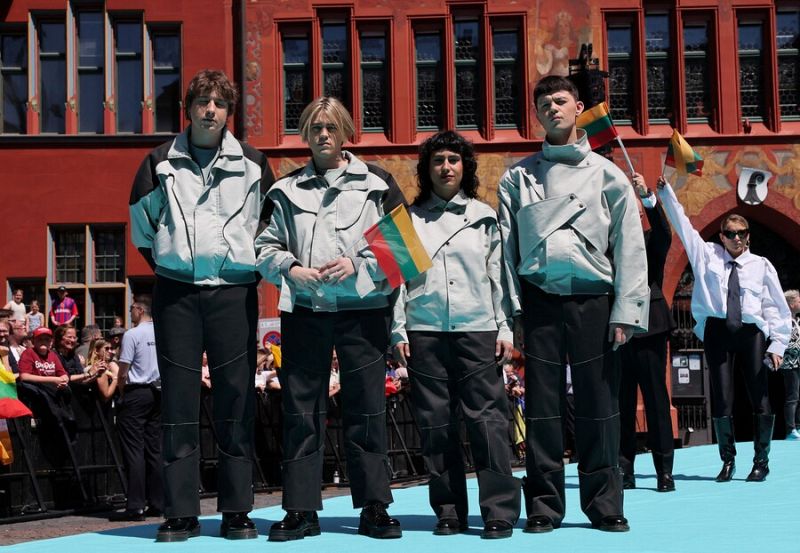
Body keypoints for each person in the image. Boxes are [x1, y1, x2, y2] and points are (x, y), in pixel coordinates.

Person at [497, 76, 649, 533]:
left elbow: (629, 246)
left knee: (599, 405)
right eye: (544, 103)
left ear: (578, 107)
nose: (552, 109)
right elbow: (506, 251)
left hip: (593, 301)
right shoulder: (517, 177)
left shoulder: (608, 174)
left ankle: (605, 504)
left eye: (560, 101)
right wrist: (511, 314)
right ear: (536, 114)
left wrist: (626, 311)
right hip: (540, 302)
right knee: (541, 409)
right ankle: (544, 506)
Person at [129, 69, 274, 541]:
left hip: (234, 292)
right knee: (177, 402)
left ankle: (236, 510)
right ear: (188, 109)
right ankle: (180, 512)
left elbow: (268, 230)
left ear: (229, 112)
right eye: (202, 102)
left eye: (219, 103)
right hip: (177, 294)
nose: (211, 110)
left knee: (237, 399)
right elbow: (143, 231)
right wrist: (174, 262)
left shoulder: (254, 163)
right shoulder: (158, 163)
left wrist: (242, 267)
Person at [256, 96, 406, 542]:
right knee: (301, 411)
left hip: (364, 313)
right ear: (305, 134)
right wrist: (289, 268)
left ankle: (374, 506)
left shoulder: (377, 183)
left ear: (346, 133)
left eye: (331, 127)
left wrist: (358, 264)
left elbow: (405, 251)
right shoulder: (285, 190)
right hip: (307, 312)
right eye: (315, 128)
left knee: (367, 409)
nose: (323, 135)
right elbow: (262, 247)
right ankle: (300, 509)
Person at [392, 130, 520, 539]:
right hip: (424, 332)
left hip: (477, 331)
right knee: (435, 426)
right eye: (437, 160)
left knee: (489, 424)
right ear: (425, 169)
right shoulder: (406, 221)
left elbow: (500, 278)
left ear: (465, 167)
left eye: (453, 159)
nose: (445, 167)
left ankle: (499, 510)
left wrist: (505, 327)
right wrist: (397, 330)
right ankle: (448, 510)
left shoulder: (485, 217)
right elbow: (395, 283)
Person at [656, 176, 792, 482]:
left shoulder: (761, 265)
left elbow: (775, 307)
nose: (736, 238)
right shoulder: (706, 255)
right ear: (722, 236)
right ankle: (727, 461)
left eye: (741, 233)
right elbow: (684, 226)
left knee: (759, 395)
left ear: (748, 236)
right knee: (722, 397)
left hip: (750, 333)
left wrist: (778, 344)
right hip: (718, 331)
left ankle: (761, 461)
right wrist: (666, 193)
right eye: (730, 233)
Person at [618, 174, 677, 493]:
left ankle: (664, 472)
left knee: (656, 402)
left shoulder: (650, 240)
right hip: (618, 331)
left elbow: (666, 234)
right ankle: (624, 470)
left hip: (650, 328)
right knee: (621, 405)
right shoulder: (609, 243)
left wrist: (647, 198)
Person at [108, 300, 163, 522]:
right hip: (157, 392)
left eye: (131, 309)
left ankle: (136, 505)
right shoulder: (162, 331)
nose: (130, 312)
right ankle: (158, 502)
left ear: (140, 310)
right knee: (154, 448)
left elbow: (123, 370)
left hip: (136, 391)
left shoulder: (132, 334)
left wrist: (122, 392)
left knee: (134, 450)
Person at [781, 290, 800, 440]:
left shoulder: (797, 321)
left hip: (798, 362)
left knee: (798, 396)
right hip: (790, 363)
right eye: (799, 301)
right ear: (791, 304)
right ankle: (791, 429)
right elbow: (783, 342)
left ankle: (798, 426)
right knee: (792, 396)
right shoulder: (784, 320)